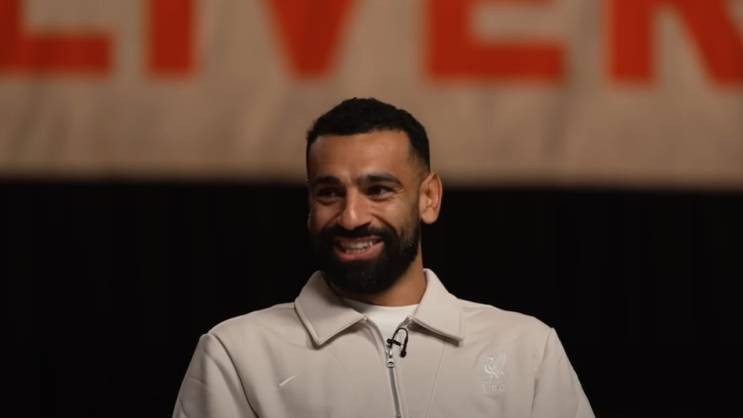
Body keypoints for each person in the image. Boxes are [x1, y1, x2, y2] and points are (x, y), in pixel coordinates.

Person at [172, 98, 594, 418]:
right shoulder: (237, 354)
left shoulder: (526, 349)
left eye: (378, 190)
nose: (351, 216)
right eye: (329, 193)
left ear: (429, 198)